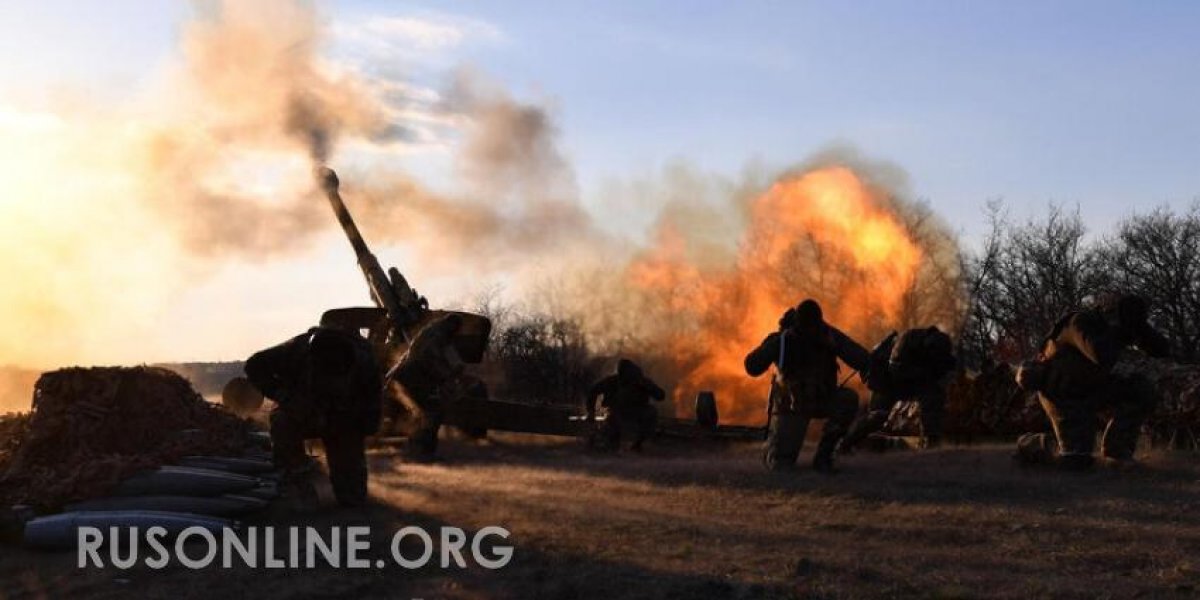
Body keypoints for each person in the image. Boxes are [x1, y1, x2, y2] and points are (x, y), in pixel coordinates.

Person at [1014, 294, 1169, 470]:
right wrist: (1121, 332)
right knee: (1076, 461)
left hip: (1093, 388)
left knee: (1142, 390)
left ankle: (1117, 450)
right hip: (1064, 396)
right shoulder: (1078, 323)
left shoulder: (1120, 328)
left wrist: (1141, 330)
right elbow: (1099, 354)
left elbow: (1162, 350)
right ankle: (1030, 444)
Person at [244, 327, 382, 507]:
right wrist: (285, 396)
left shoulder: (365, 361)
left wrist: (363, 429)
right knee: (282, 422)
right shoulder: (294, 351)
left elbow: (373, 399)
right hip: (302, 410)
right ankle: (297, 479)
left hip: (343, 415)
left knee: (353, 497)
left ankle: (348, 483)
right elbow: (254, 365)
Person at [744, 299, 870, 473]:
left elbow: (862, 359)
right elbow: (752, 366)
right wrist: (777, 344)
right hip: (791, 406)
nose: (811, 331)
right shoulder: (782, 340)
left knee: (847, 399)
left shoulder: (827, 335)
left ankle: (824, 456)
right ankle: (772, 449)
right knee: (781, 467)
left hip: (821, 398)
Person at [839, 326, 957, 452]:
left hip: (912, 381)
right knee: (878, 416)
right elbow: (896, 369)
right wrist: (924, 375)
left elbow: (946, 368)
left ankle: (932, 442)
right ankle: (845, 445)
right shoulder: (906, 341)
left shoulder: (940, 349)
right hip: (887, 380)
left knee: (933, 397)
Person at [388, 314, 466, 459]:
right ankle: (419, 452)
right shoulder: (436, 336)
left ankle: (421, 451)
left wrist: (451, 374)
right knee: (429, 412)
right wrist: (446, 375)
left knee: (430, 411)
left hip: (409, 376)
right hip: (410, 376)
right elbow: (428, 359)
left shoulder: (435, 332)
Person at [586, 359, 666, 452]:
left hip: (637, 411)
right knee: (613, 418)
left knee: (651, 412)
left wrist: (650, 388)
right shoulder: (612, 381)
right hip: (616, 411)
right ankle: (611, 444)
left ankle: (638, 444)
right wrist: (591, 411)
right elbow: (593, 392)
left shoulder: (642, 382)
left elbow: (661, 396)